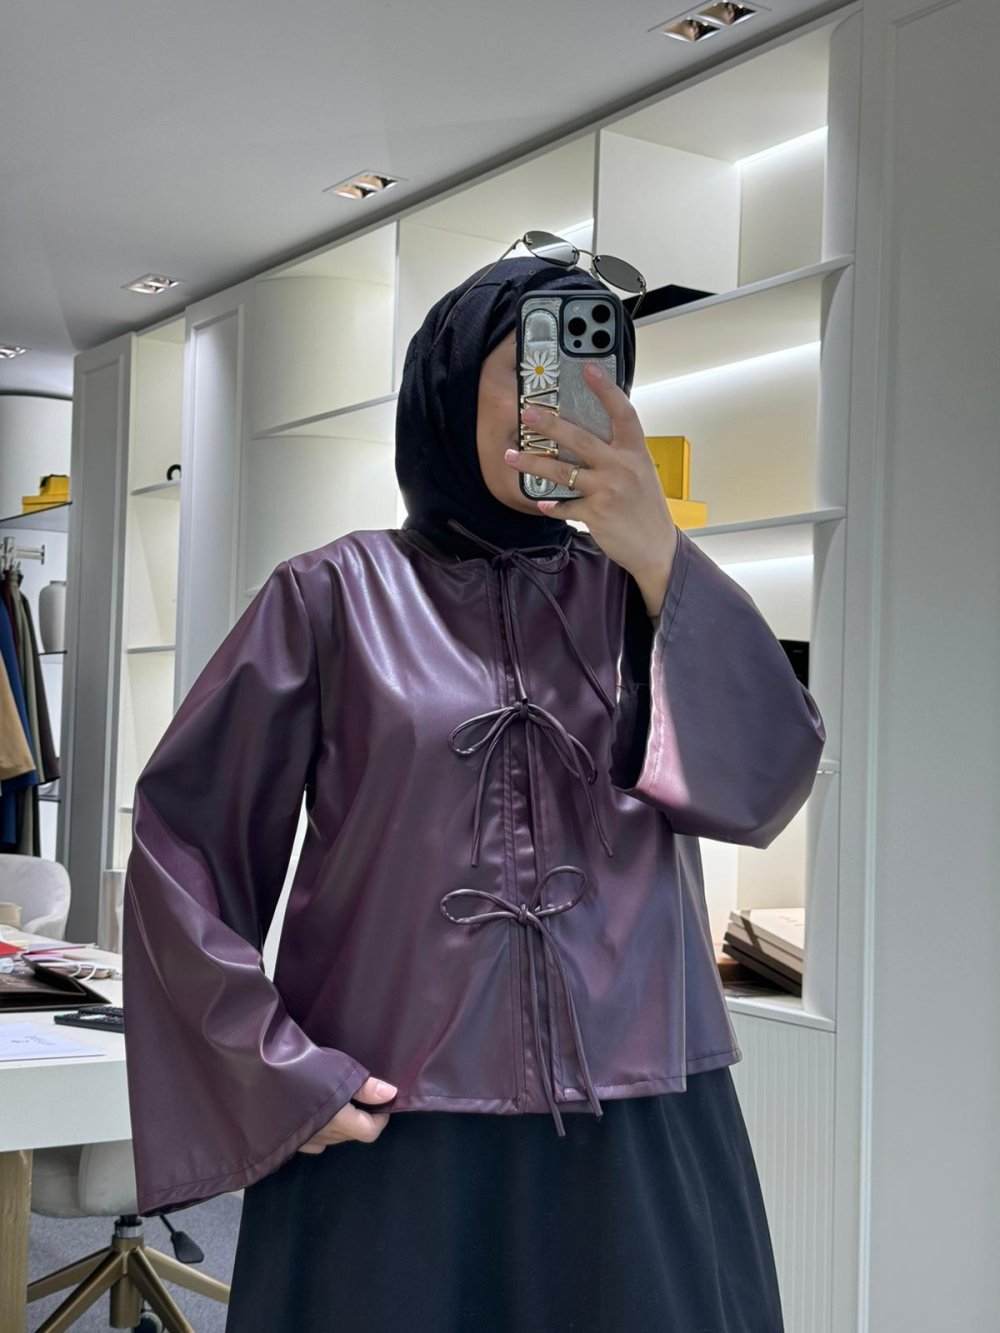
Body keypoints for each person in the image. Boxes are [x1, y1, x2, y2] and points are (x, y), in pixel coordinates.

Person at [122, 255, 826, 1331]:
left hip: (635, 1119)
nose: (567, 404)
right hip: (398, 1119)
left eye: (597, 376)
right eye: (533, 370)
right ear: (449, 387)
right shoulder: (331, 596)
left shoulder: (641, 601)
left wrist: (661, 558)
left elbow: (761, 784)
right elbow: (184, 846)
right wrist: (277, 1070)